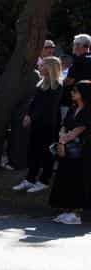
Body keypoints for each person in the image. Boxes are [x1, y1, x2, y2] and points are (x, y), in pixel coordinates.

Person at [15, 57, 63, 194]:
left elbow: (48, 107)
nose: (40, 68)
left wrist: (32, 117)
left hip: (48, 125)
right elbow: (34, 102)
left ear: (50, 68)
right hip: (37, 123)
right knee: (34, 151)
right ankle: (30, 179)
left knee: (47, 153)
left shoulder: (57, 86)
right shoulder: (41, 84)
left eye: (42, 66)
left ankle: (44, 180)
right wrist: (28, 115)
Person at [49, 81, 90, 225]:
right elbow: (65, 126)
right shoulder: (73, 108)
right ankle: (67, 210)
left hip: (82, 151)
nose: (72, 93)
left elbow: (78, 130)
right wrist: (61, 140)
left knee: (78, 180)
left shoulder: (88, 111)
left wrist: (62, 142)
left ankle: (76, 213)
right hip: (68, 148)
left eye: (75, 91)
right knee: (65, 178)